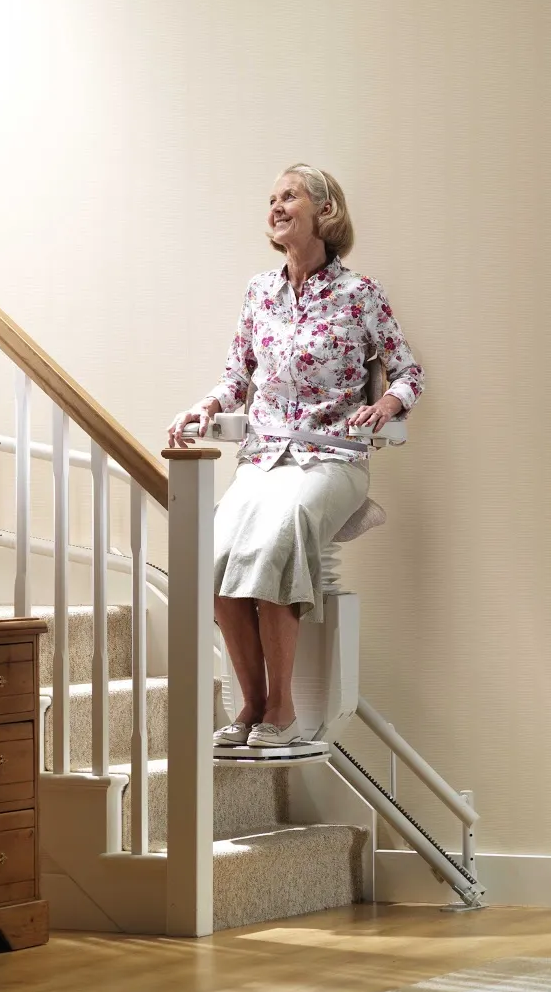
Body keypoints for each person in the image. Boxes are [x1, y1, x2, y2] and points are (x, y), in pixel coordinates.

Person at [169, 164, 424, 748]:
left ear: (324, 210)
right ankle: (251, 704)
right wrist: (203, 408)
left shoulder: (360, 294)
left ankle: (282, 709)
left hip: (332, 459)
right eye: (272, 198)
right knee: (213, 552)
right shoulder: (260, 290)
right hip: (264, 458)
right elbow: (237, 375)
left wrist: (386, 404)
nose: (277, 206)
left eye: (290, 196)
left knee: (278, 536)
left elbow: (410, 371)